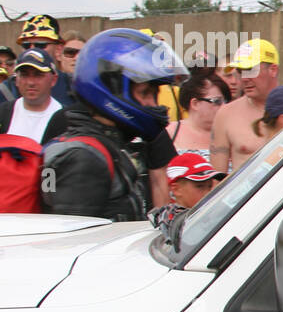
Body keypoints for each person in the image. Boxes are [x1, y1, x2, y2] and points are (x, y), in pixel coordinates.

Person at [41, 28, 186, 221]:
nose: (153, 104)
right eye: (145, 93)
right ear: (112, 88)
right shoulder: (83, 158)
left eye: (154, 94)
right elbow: (72, 242)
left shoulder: (111, 145)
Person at [210, 38, 279, 173]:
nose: (244, 78)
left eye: (251, 70)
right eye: (241, 72)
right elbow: (217, 179)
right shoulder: (226, 114)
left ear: (273, 70)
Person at [0, 49, 67, 143]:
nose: (31, 82)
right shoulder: (3, 113)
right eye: (24, 75)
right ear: (16, 80)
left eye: (38, 75)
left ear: (53, 80)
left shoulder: (67, 119)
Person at [166, 72, 231, 161]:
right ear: (195, 104)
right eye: (217, 101)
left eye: (225, 101)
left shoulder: (232, 132)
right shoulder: (170, 132)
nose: (224, 106)